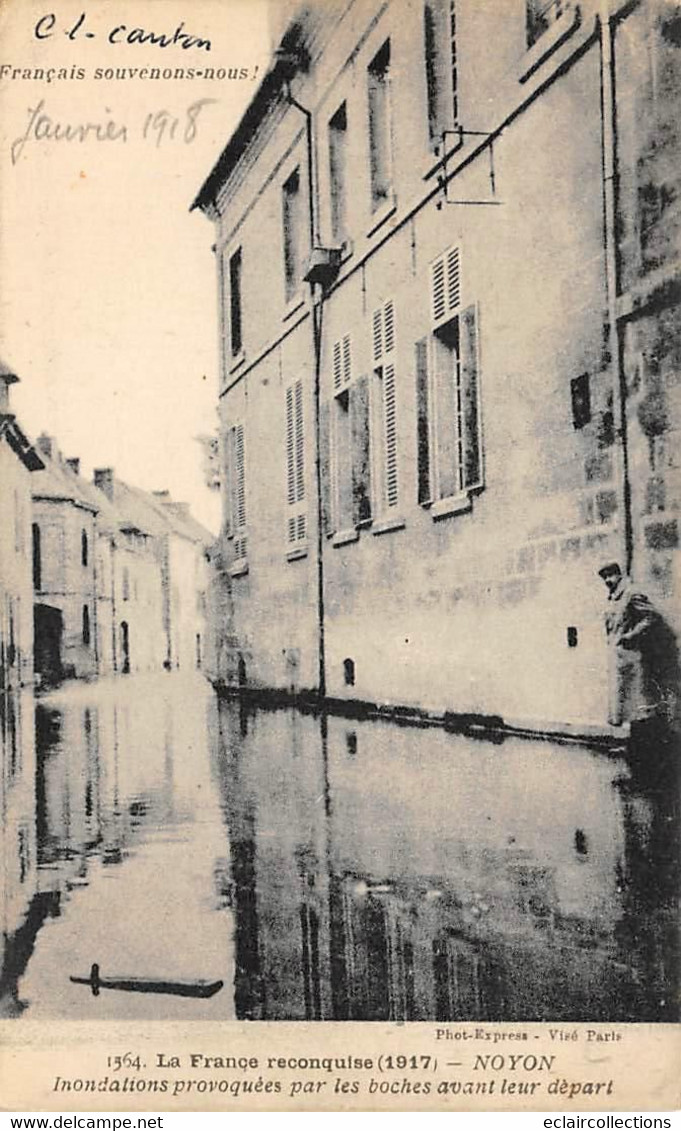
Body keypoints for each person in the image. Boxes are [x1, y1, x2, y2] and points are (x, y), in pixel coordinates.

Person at [598, 561, 679, 782]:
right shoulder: (614, 597)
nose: (607, 581)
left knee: (639, 707)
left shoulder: (632, 593)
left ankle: (644, 765)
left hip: (634, 660)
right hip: (621, 660)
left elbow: (652, 617)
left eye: (610, 576)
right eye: (604, 577)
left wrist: (630, 636)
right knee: (629, 708)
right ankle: (637, 757)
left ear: (618, 574)